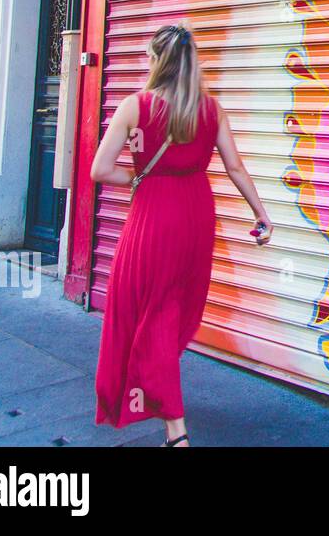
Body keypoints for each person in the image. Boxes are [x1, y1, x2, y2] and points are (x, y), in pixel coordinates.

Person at [91, 23, 272, 446]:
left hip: (154, 218)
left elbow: (100, 169)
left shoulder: (134, 107)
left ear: (157, 61)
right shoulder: (210, 109)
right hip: (196, 217)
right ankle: (158, 384)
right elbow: (235, 167)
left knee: (148, 310)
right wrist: (261, 215)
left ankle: (176, 431)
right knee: (171, 310)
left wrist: (139, 176)